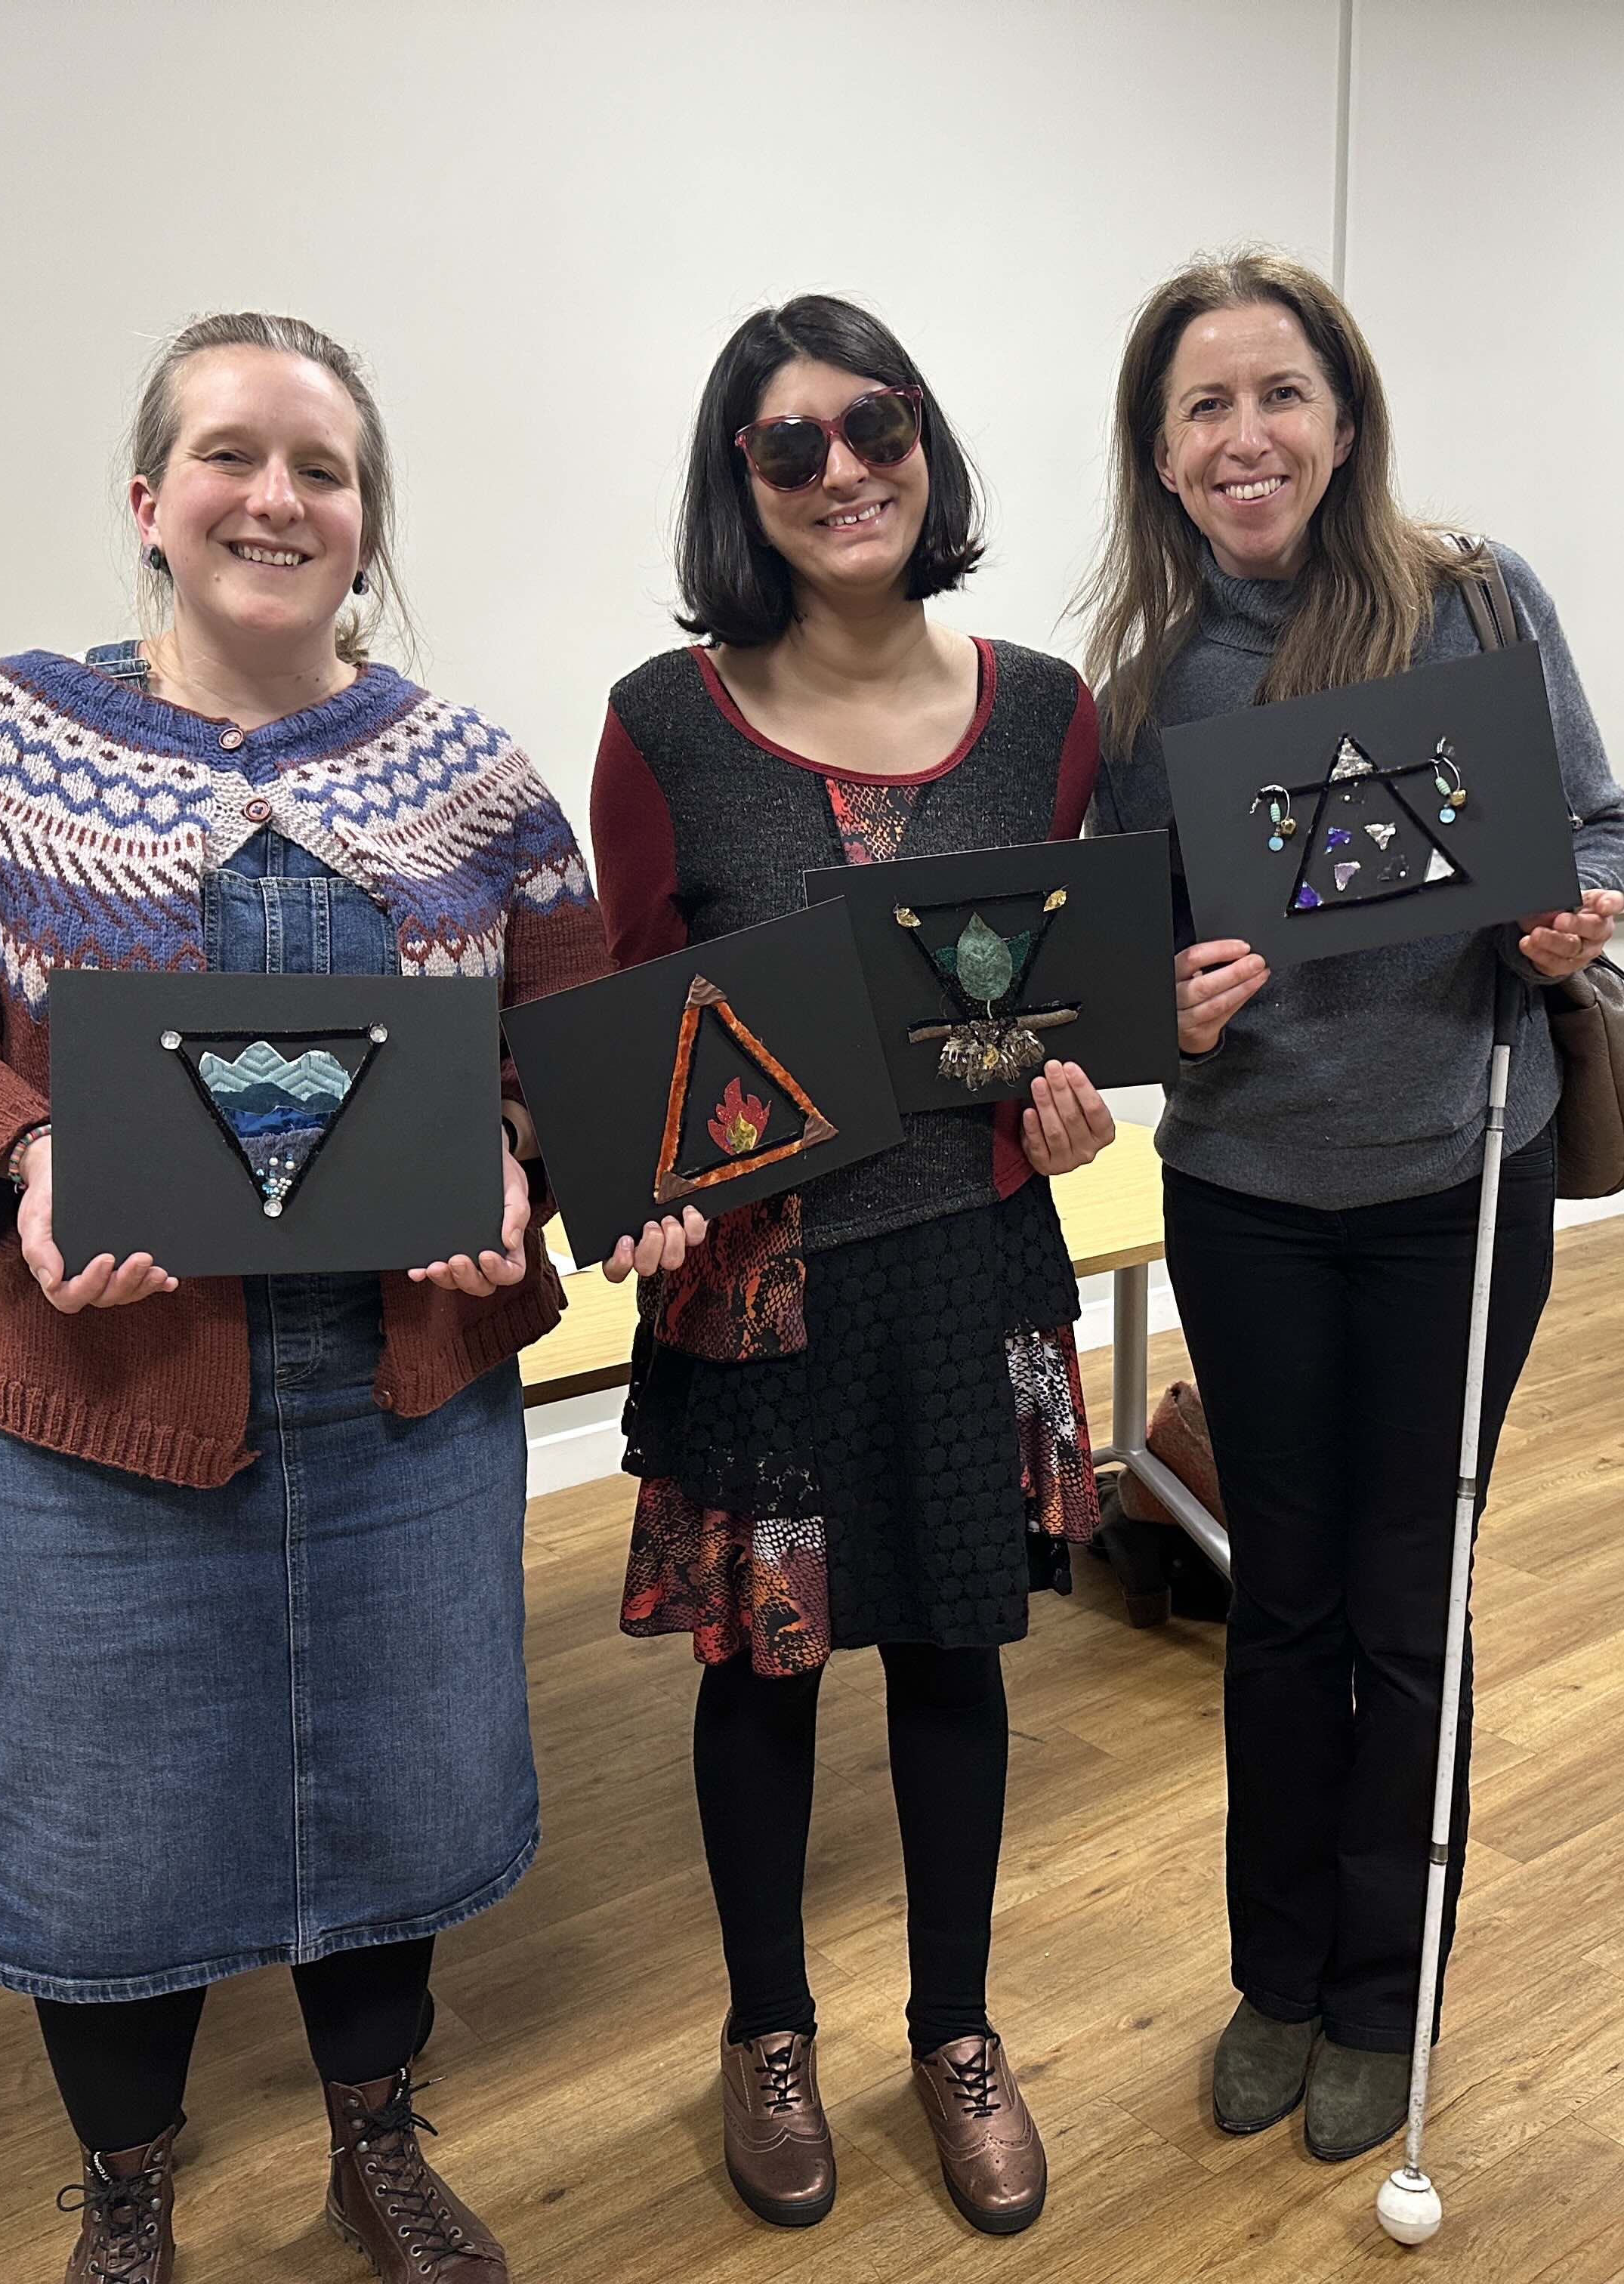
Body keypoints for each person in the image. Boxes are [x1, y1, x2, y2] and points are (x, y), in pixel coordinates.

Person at [0, 311, 696, 2284]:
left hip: (402, 1401)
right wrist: (25, 1164)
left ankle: (376, 2146)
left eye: (323, 469)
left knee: (395, 1798)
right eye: (230, 454)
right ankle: (128, 2184)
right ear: (148, 502)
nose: (276, 496)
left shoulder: (475, 779)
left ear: (366, 527)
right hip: (89, 1407)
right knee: (104, 1834)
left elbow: (565, 1044)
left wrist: (522, 1172)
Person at [1079, 252, 1624, 2166]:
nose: (1247, 437)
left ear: (1344, 414)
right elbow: (1104, 949)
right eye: (1204, 410)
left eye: (1279, 395)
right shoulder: (1149, 682)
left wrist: (1572, 920)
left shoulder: (1475, 603)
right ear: (1160, 459)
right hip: (1245, 1190)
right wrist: (1151, 1005)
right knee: (1278, 1607)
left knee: (1411, 1605)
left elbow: (1603, 826)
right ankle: (1275, 1976)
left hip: (1452, 1185)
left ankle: (1386, 2003)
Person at [585, 295, 1119, 2239]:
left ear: (925, 440)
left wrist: (1061, 1110)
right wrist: (636, 1182)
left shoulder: (1051, 714)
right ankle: (767, 2031)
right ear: (744, 485)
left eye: (871, 425)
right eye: (787, 444)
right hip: (761, 1285)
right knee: (766, 1678)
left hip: (974, 1261)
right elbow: (631, 1016)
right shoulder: (666, 724)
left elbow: (1069, 1006)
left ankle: (958, 2033)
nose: (840, 470)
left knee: (959, 1652)